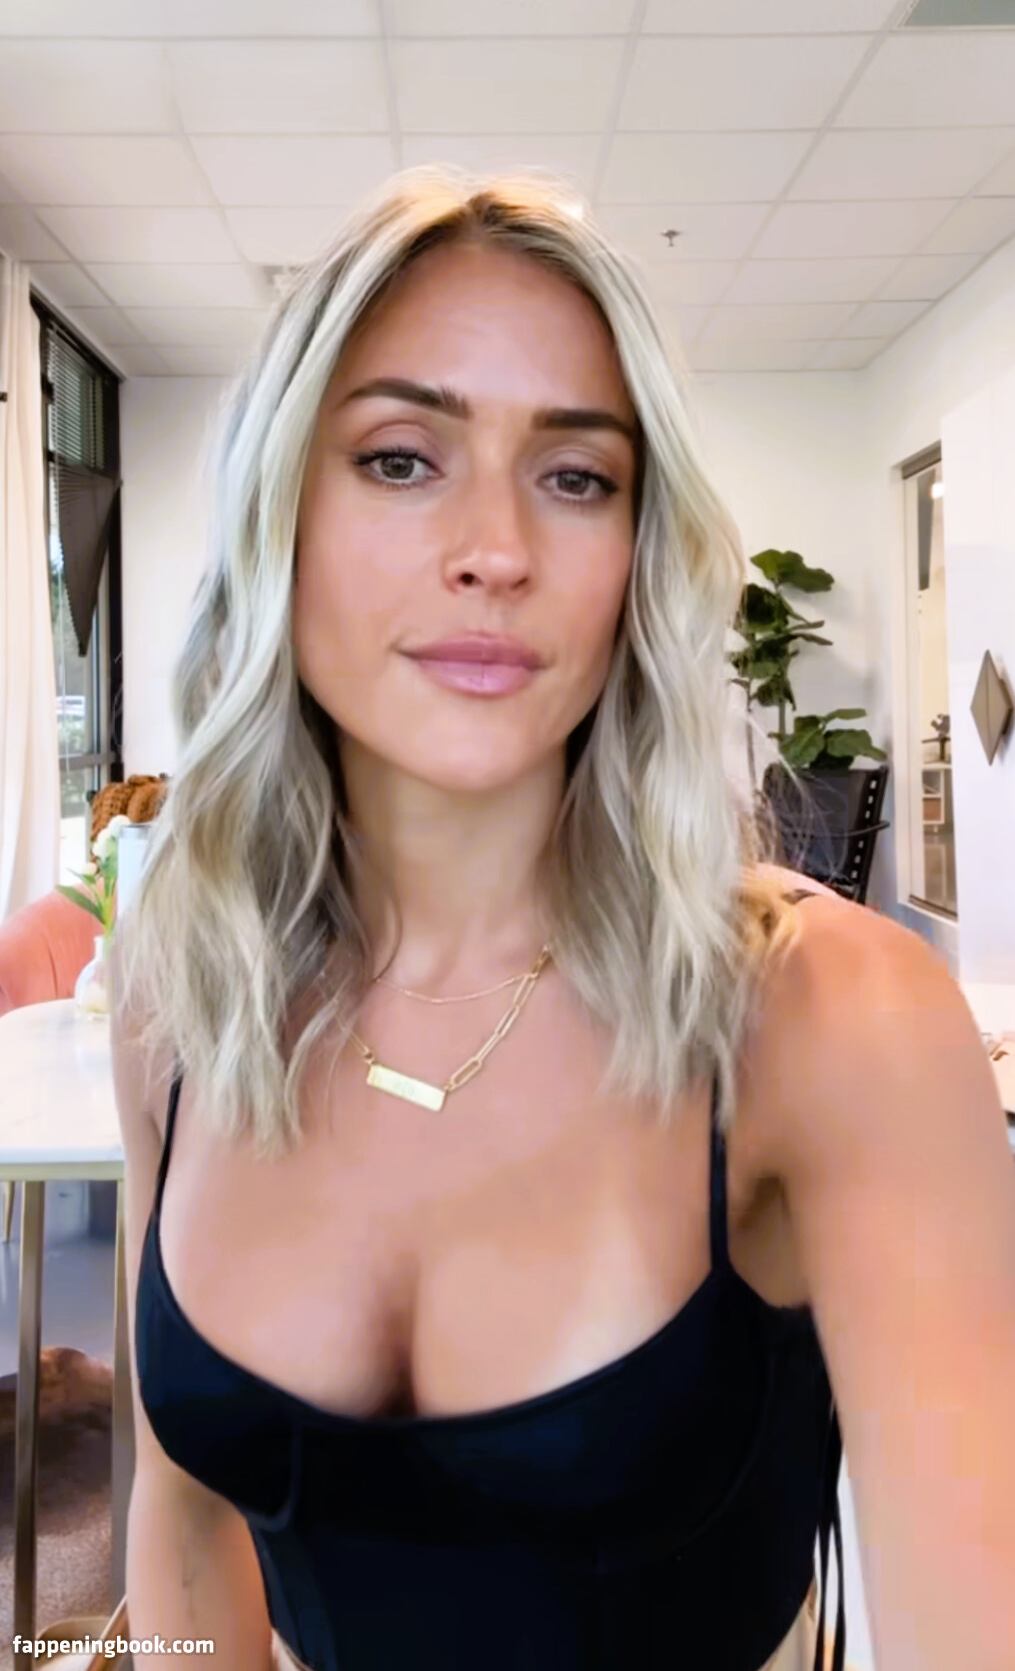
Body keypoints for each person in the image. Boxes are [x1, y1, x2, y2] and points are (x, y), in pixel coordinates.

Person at [112, 169, 1015, 1671]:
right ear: (282, 516)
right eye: (401, 459)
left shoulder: (825, 1017)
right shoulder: (184, 988)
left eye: (577, 477)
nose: (498, 550)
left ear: (636, 553)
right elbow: (179, 1513)